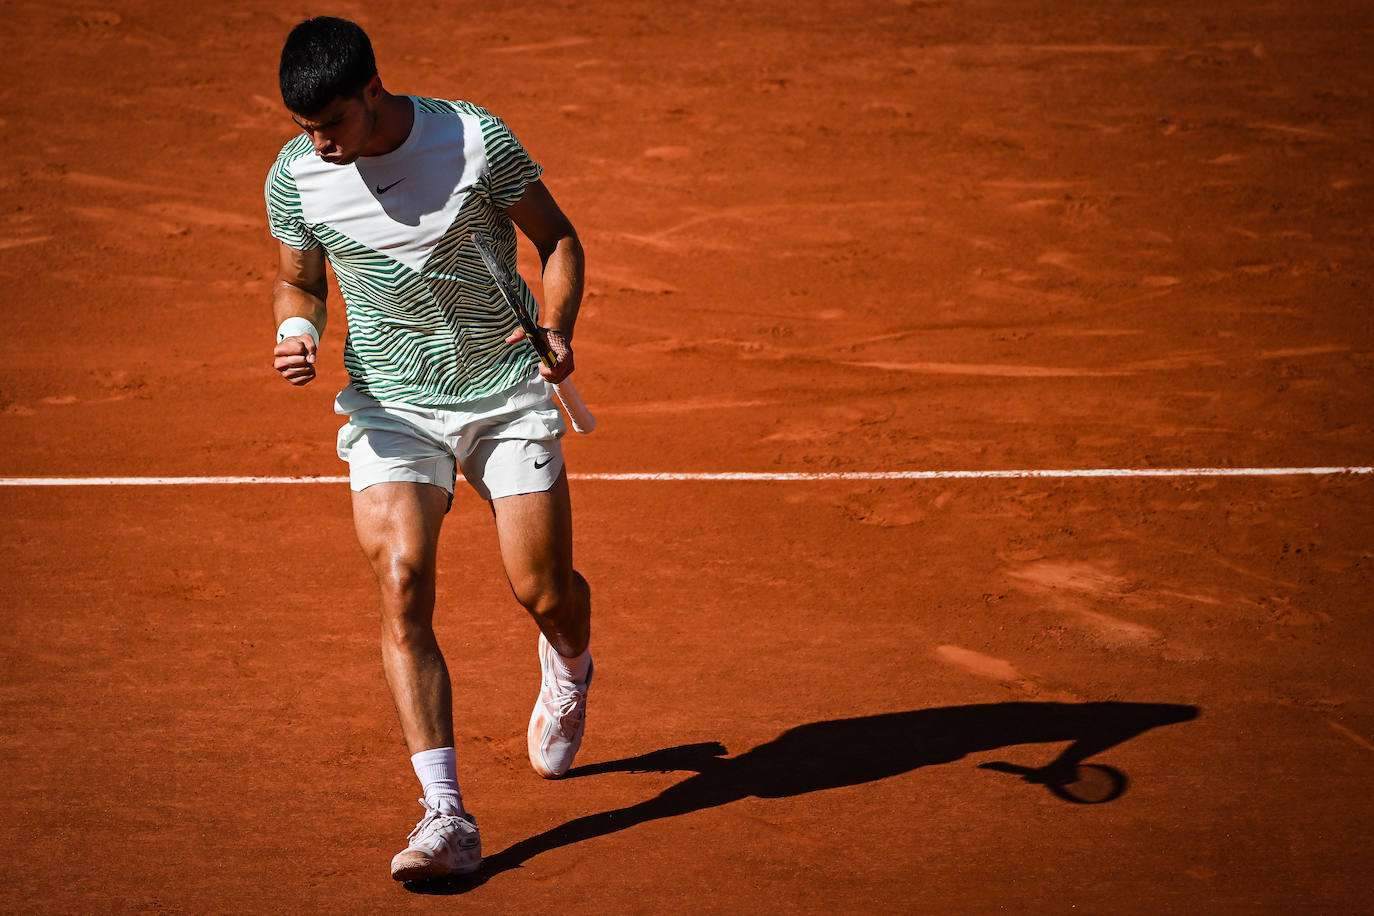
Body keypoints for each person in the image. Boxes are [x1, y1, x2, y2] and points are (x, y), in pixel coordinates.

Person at [265, 16, 593, 883]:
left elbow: (557, 240)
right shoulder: (296, 176)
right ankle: (446, 814)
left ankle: (569, 664)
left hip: (505, 389)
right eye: (305, 128)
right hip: (389, 403)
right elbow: (299, 276)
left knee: (544, 590)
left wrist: (555, 326)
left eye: (332, 122)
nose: (320, 144)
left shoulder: (474, 139)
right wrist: (298, 327)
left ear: (372, 90)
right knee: (401, 580)